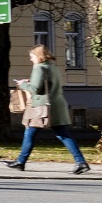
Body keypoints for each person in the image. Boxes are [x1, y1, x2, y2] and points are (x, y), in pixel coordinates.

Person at [5, 44, 91, 174]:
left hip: (42, 107)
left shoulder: (39, 68)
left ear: (39, 56)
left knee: (30, 133)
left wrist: (23, 85)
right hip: (57, 104)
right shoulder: (52, 67)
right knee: (63, 134)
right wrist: (30, 81)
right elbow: (47, 84)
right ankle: (81, 162)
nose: (30, 59)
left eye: (32, 56)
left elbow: (35, 89)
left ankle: (20, 162)